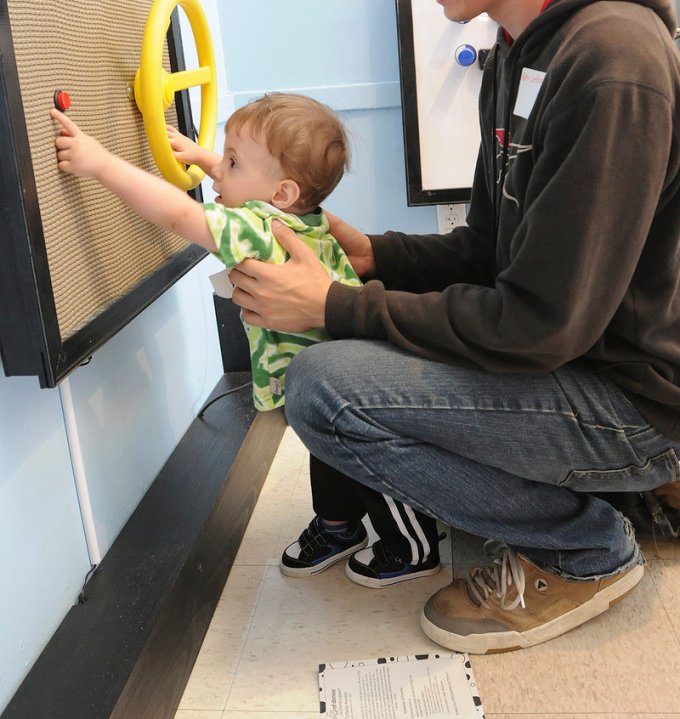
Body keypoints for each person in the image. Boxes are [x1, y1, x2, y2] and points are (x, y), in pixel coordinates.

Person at [226, 0, 680, 654]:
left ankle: (583, 547)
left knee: (324, 387)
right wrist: (372, 256)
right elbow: (487, 250)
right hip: (580, 360)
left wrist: (335, 305)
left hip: (631, 399)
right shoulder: (521, 49)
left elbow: (538, 323)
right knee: (350, 336)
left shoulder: (611, 62)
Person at [51, 91, 441, 586]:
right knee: (325, 449)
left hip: (341, 381)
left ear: (279, 192)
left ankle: (412, 544)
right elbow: (256, 186)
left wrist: (100, 163)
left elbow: (178, 215)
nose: (218, 174)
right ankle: (339, 527)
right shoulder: (297, 212)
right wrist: (205, 158)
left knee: (359, 456)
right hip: (320, 379)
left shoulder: (255, 227)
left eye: (231, 162)